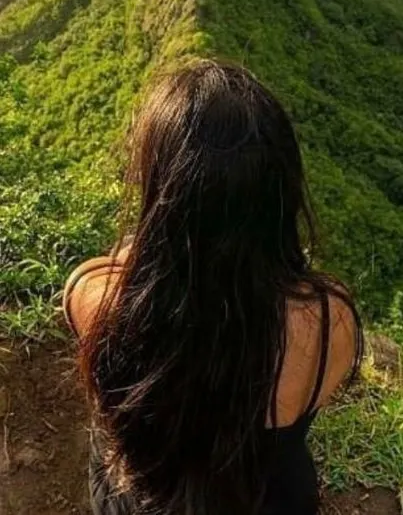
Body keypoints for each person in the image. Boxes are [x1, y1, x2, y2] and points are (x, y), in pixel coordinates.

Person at [63, 60, 363, 515]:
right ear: (280, 194)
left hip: (139, 498)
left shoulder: (100, 300)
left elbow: (87, 284)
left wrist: (136, 257)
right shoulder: (328, 320)